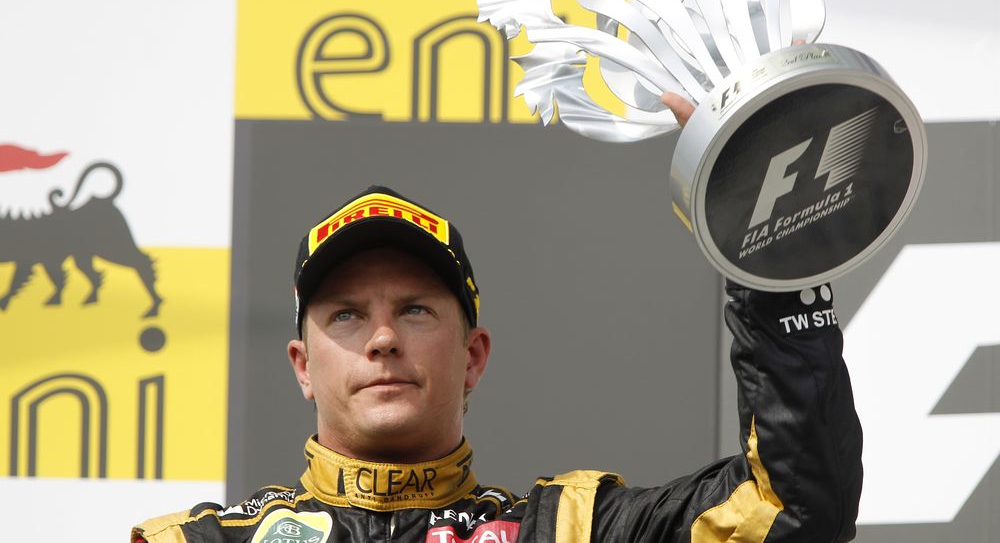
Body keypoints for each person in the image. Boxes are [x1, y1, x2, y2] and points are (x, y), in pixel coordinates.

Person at [132, 95, 863, 542]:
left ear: (473, 355)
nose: (383, 338)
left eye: (415, 309)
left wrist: (772, 243)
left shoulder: (569, 531)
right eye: (347, 314)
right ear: (302, 365)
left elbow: (792, 509)